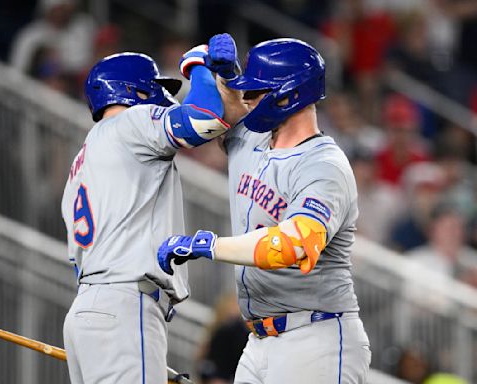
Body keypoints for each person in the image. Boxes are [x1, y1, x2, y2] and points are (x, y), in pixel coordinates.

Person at [158, 34, 371, 383]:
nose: (247, 97)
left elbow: (292, 245)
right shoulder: (252, 139)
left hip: (317, 337)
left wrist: (210, 245)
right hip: (258, 341)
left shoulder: (325, 166)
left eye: (256, 91)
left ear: (288, 96)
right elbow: (216, 112)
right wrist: (214, 71)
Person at [61, 48, 230, 384]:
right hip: (124, 308)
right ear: (132, 90)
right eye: (154, 86)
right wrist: (197, 66)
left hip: (86, 313)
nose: (162, 94)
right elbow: (205, 119)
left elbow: (78, 262)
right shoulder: (130, 123)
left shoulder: (81, 161)